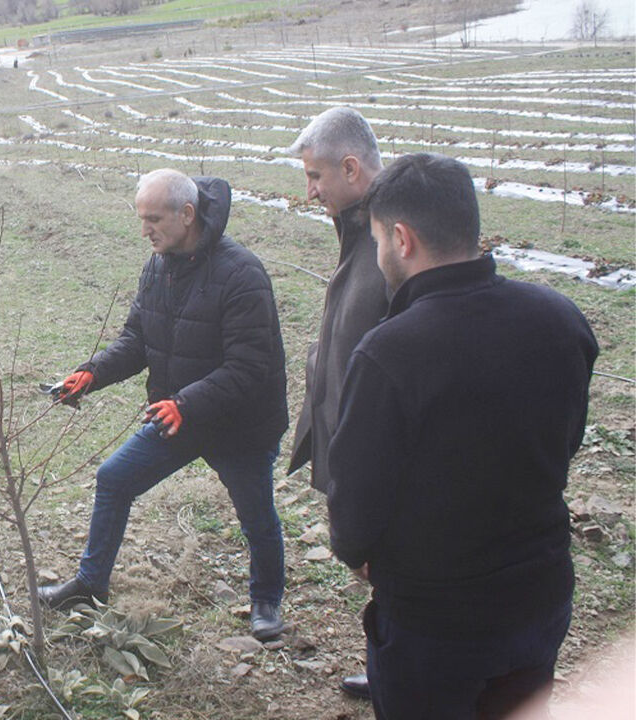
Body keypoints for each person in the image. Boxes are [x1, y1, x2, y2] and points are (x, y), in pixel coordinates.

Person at [327, 153, 597, 720]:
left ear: (401, 238)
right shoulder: (560, 319)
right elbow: (564, 442)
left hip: (436, 622)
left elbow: (356, 505)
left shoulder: (388, 353)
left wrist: (360, 555)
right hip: (539, 595)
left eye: (377, 239)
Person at [36, 168, 289, 641]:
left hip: (240, 425)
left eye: (154, 218)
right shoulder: (159, 265)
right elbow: (137, 338)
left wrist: (185, 404)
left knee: (255, 513)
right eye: (141, 218)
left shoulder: (242, 274)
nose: (145, 229)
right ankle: (90, 585)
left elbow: (249, 367)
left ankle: (266, 600)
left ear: (187, 214)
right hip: (179, 414)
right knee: (114, 479)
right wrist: (91, 373)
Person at [284, 106, 387, 700]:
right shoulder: (359, 231)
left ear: (350, 168)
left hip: (372, 457)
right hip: (351, 451)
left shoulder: (394, 241)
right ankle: (385, 667)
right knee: (377, 573)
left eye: (316, 176)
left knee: (386, 564)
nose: (310, 190)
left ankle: (395, 673)